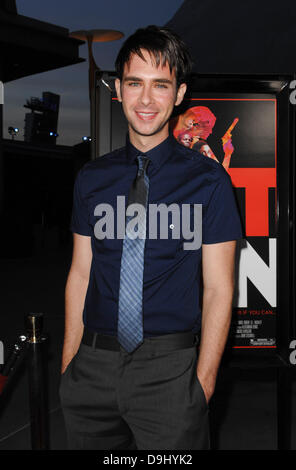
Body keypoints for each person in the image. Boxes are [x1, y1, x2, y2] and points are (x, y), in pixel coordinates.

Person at [59, 25, 242, 451]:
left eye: (160, 85)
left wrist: (204, 382)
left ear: (179, 95)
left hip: (171, 372)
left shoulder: (209, 181)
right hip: (91, 367)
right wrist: (69, 367)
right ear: (118, 90)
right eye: (134, 83)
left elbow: (219, 288)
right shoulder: (92, 178)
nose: (145, 100)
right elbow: (80, 273)